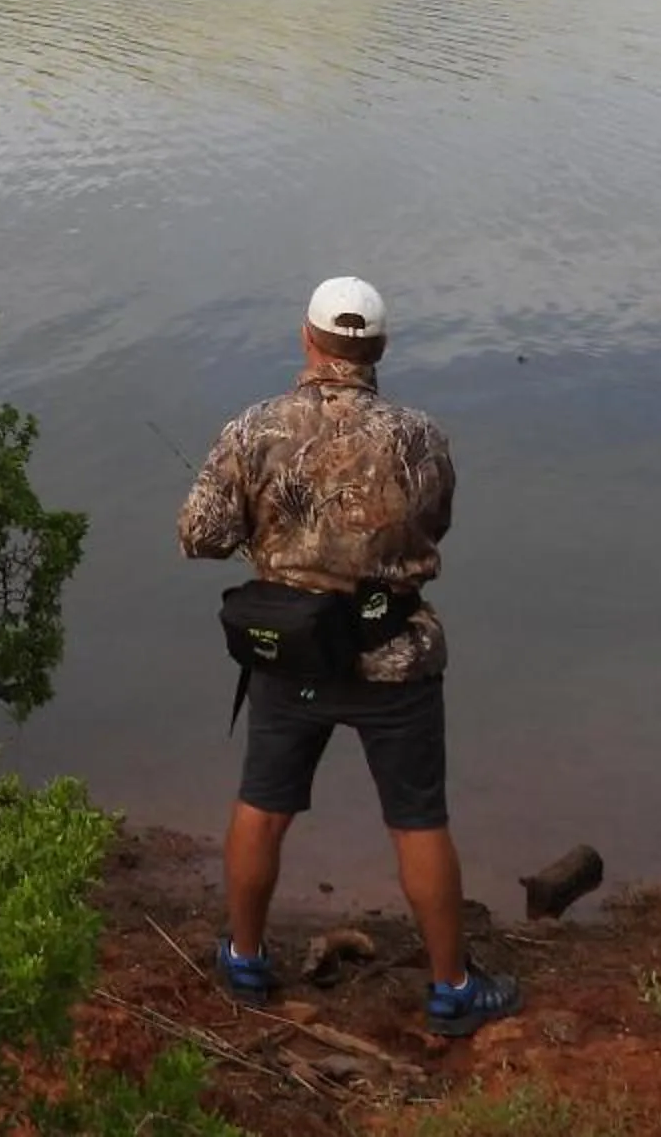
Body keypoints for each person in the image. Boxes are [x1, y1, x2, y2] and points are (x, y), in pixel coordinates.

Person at [176, 275, 521, 1038]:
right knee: (418, 821)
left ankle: (244, 957)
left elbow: (200, 536)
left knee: (263, 808)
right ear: (380, 348)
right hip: (392, 656)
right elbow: (434, 524)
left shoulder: (252, 429)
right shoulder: (421, 435)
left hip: (291, 658)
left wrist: (270, 536)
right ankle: (453, 988)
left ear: (307, 338)